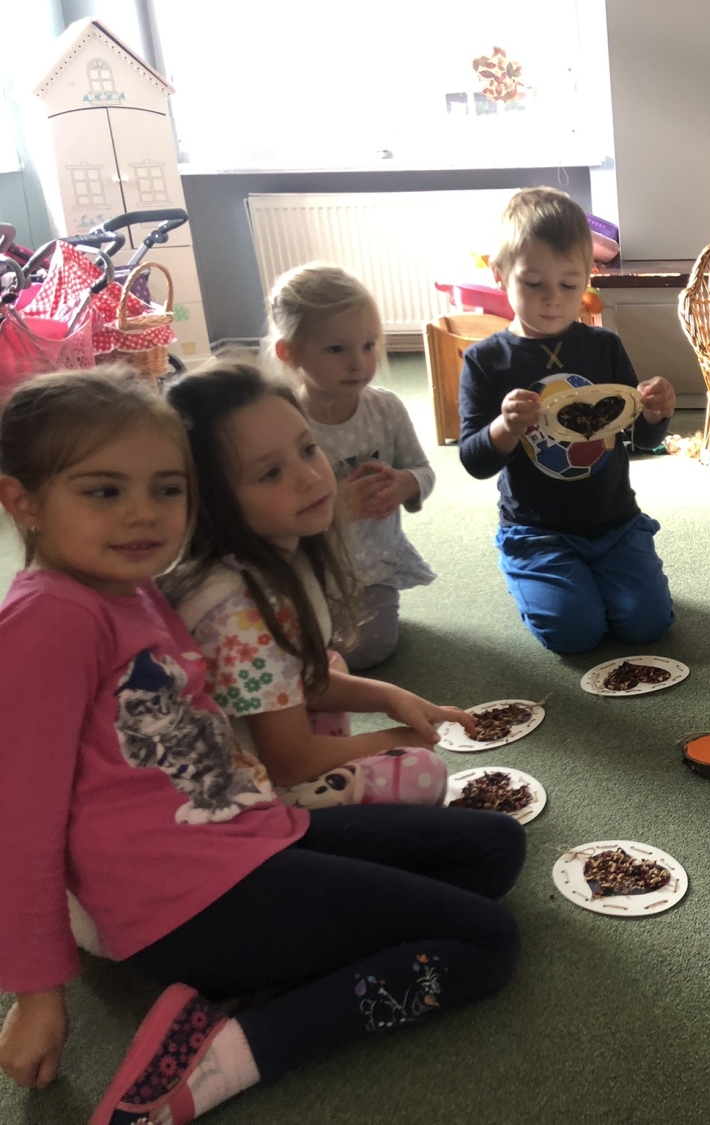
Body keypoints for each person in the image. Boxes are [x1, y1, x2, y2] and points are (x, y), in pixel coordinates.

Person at [0, 369, 526, 1125]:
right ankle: (232, 1050)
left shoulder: (132, 585)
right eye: (105, 490)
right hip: (186, 902)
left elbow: (274, 688)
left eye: (167, 488)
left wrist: (383, 698)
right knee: (487, 940)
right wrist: (37, 997)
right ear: (21, 502)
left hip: (251, 836)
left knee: (493, 848)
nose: (144, 514)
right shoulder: (49, 619)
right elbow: (19, 823)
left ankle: (257, 976)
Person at [161, 361, 464, 809]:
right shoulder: (240, 608)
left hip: (263, 742)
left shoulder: (276, 553)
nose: (311, 476)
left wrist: (391, 696)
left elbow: (307, 676)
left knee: (330, 662)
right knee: (422, 770)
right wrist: (393, 739)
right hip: (240, 791)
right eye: (270, 473)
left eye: (307, 449)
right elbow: (289, 763)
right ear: (210, 500)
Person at [458, 187, 676, 653]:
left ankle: (595, 578)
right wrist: (505, 428)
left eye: (569, 284)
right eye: (534, 283)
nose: (553, 300)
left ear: (589, 278)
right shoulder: (486, 361)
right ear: (499, 274)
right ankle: (530, 575)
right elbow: (474, 461)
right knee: (575, 634)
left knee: (648, 625)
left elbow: (640, 437)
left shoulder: (604, 347)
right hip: (537, 532)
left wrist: (656, 414)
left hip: (614, 522)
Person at [267, 262, 436, 669]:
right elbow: (267, 512)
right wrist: (334, 506)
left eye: (368, 345)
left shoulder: (386, 410)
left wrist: (405, 484)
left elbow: (423, 471)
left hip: (369, 570)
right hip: (302, 569)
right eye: (336, 349)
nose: (358, 362)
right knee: (281, 642)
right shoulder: (281, 420)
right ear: (289, 354)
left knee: (367, 648)